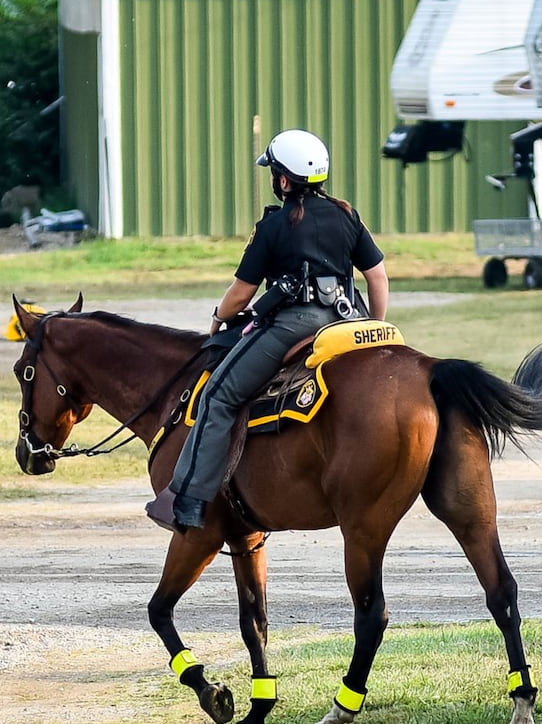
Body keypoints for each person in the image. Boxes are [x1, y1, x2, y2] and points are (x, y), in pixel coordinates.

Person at [156, 128, 390, 533]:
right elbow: (378, 278)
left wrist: (217, 318)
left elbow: (240, 294)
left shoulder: (274, 226)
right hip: (349, 321)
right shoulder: (348, 215)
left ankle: (190, 501)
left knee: (217, 396)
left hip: (296, 323)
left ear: (283, 180)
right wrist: (375, 327)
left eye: (274, 174)